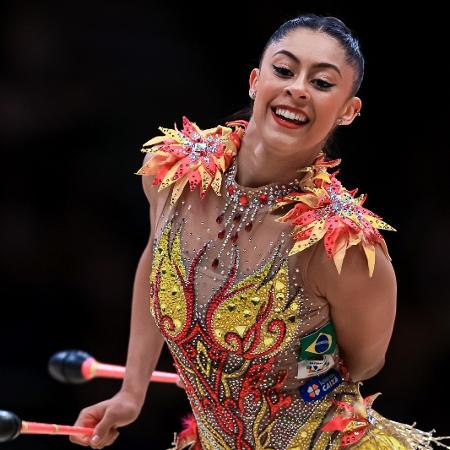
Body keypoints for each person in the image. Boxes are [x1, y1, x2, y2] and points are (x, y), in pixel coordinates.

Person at [70, 14, 449, 450]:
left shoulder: (340, 249)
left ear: (348, 110)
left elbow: (361, 365)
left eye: (323, 83)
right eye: (284, 71)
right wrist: (131, 391)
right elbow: (156, 261)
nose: (298, 89)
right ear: (255, 80)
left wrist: (284, 373)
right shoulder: (172, 176)